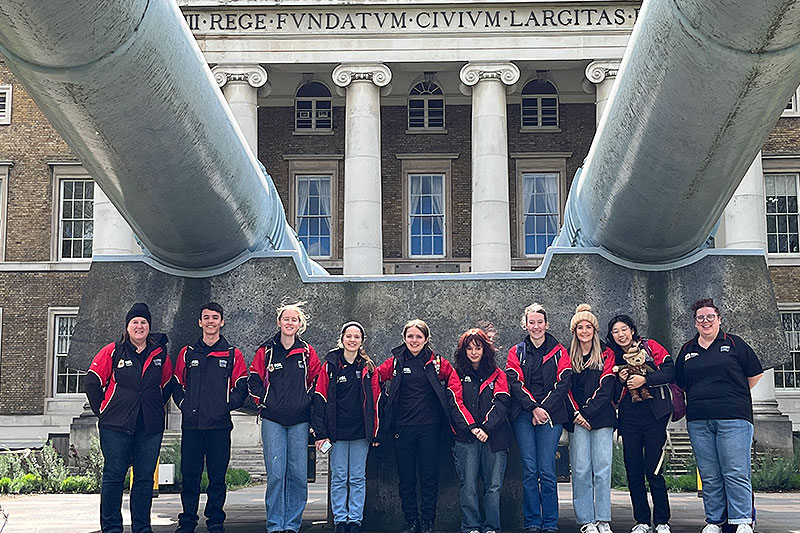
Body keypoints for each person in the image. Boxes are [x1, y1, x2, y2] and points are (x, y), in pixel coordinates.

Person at [376, 319, 475, 533]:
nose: (414, 340)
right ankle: (412, 522)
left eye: (418, 336)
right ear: (404, 339)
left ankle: (428, 522)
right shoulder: (395, 361)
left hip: (430, 429)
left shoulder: (437, 362)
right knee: (407, 479)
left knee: (430, 477)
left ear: (426, 339)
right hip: (402, 429)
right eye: (410, 336)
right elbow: (375, 378)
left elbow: (454, 383)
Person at [675, 298, 763, 533]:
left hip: (734, 418)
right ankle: (715, 521)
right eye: (700, 318)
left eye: (710, 317)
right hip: (699, 420)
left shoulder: (735, 344)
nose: (705, 322)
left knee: (735, 471)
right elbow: (681, 383)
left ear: (719, 319)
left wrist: (733, 394)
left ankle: (742, 519)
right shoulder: (687, 350)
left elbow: (754, 374)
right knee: (710, 473)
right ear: (695, 323)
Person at [85, 302, 174, 533]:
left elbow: (166, 385)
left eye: (143, 322)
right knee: (114, 477)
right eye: (135, 321)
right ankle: (112, 527)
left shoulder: (160, 353)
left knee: (144, 479)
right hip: (116, 426)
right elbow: (93, 381)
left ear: (149, 326)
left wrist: (153, 406)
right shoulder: (112, 351)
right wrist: (103, 411)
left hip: (149, 427)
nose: (139, 326)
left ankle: (142, 527)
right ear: (127, 327)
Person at [172, 302, 248, 533]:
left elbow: (241, 385)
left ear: (222, 322)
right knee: (190, 477)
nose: (211, 321)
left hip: (219, 426)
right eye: (206, 317)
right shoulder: (187, 353)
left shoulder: (233, 354)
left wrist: (225, 407)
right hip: (192, 426)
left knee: (217, 478)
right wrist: (185, 405)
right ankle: (187, 521)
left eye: (215, 317)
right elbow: (176, 383)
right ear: (200, 322)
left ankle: (215, 521)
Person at [248, 302, 322, 533]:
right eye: (286, 319)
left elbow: (318, 382)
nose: (290, 323)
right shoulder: (266, 351)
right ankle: (275, 525)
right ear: (279, 322)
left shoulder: (307, 352)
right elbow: (253, 380)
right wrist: (265, 401)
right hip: (272, 420)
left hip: (299, 421)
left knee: (298, 475)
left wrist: (306, 403)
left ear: (300, 324)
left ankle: (292, 525)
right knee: (277, 474)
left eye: (294, 320)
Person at [505, 303, 572, 533]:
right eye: (531, 322)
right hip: (524, 415)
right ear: (525, 324)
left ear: (547, 324)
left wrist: (543, 409)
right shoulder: (517, 351)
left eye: (540, 322)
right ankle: (532, 521)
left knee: (547, 470)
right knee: (530, 470)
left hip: (552, 416)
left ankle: (550, 522)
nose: (536, 326)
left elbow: (563, 383)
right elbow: (514, 382)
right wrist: (533, 408)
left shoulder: (560, 351)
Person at [607, 315, 675, 533]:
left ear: (633, 330)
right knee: (633, 471)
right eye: (615, 331)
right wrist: (620, 380)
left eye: (624, 329)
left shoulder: (651, 346)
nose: (620, 334)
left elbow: (671, 371)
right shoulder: (612, 356)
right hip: (628, 419)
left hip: (654, 416)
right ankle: (642, 521)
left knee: (653, 470)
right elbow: (612, 391)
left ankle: (662, 520)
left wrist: (645, 380)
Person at [312, 321, 381, 533]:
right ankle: (340, 520)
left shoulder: (369, 368)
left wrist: (375, 431)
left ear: (362, 341)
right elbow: (320, 398)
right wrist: (321, 433)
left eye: (356, 337)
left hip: (361, 432)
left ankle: (355, 521)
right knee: (340, 476)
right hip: (337, 433)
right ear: (342, 339)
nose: (352, 340)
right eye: (348, 336)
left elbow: (377, 401)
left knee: (358, 477)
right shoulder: (330, 365)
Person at [452, 328, 511, 533]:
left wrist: (486, 428)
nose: (474, 352)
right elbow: (455, 403)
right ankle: (470, 527)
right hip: (466, 438)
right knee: (468, 485)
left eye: (478, 348)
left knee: (493, 486)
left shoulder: (499, 375)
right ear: (464, 351)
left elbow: (502, 403)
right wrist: (473, 428)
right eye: (469, 348)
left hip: (495, 438)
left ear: (486, 350)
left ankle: (492, 526)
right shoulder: (456, 374)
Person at [566, 304, 616, 533]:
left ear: (595, 330)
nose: (584, 331)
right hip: (577, 421)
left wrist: (587, 413)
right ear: (574, 331)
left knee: (602, 468)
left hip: (602, 418)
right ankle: (586, 519)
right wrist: (577, 414)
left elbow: (606, 387)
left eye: (588, 327)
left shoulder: (607, 353)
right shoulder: (568, 355)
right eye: (579, 327)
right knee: (580, 469)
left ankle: (603, 518)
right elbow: (564, 388)